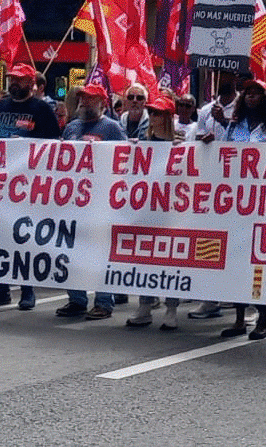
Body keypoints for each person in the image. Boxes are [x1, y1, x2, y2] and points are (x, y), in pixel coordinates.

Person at [0, 66, 61, 309]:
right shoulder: (1, 106)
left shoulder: (42, 109)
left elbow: (54, 143)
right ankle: (1, 288)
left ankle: (27, 290)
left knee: (24, 237)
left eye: (20, 80)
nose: (14, 83)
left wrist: (26, 145)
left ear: (31, 83)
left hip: (27, 185)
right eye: (11, 79)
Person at [214, 77, 266, 339]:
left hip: (263, 206)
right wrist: (218, 128)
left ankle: (263, 319)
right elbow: (223, 157)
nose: (252, 96)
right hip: (237, 206)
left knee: (260, 266)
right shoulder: (234, 127)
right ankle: (240, 318)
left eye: (257, 93)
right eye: (248, 93)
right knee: (237, 263)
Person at [56, 83, 125, 320]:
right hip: (74, 201)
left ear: (102, 103)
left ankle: (104, 301)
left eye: (91, 99)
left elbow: (127, 159)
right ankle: (76, 299)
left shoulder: (112, 128)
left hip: (101, 202)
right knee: (73, 251)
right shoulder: (72, 127)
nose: (85, 102)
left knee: (100, 253)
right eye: (83, 98)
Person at [127, 91, 189, 333]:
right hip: (148, 209)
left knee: (171, 260)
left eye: (157, 113)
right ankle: (144, 306)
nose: (152, 116)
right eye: (151, 112)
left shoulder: (181, 143)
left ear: (168, 117)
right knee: (145, 258)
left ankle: (171, 309)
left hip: (172, 212)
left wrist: (183, 150)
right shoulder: (143, 142)